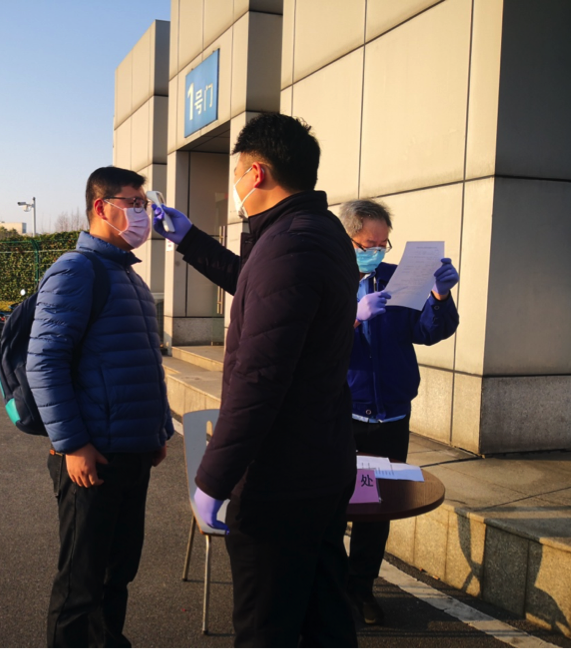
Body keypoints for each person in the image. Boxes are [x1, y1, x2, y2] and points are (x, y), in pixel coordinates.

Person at [153, 113, 359, 648]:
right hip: (322, 465)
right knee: (324, 615)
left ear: (258, 172)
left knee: (267, 628)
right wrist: (190, 238)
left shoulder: (288, 245)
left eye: (237, 173)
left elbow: (258, 380)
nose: (236, 187)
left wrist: (212, 480)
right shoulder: (318, 232)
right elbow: (254, 283)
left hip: (281, 482)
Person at [27, 166, 174, 649]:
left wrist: (157, 432)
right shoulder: (76, 270)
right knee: (80, 583)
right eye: (134, 204)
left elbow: (143, 362)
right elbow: (45, 361)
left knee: (118, 573)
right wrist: (73, 444)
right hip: (91, 457)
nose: (143, 214)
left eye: (144, 205)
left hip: (131, 452)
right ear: (100, 207)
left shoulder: (127, 275)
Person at [339, 199, 459, 625]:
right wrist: (351, 318)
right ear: (346, 240)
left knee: (375, 510)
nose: (377, 251)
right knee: (332, 507)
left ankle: (361, 589)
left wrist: (439, 296)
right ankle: (330, 590)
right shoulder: (326, 280)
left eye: (383, 244)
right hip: (342, 417)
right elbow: (310, 342)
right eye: (368, 244)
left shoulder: (397, 280)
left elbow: (428, 330)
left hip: (390, 418)